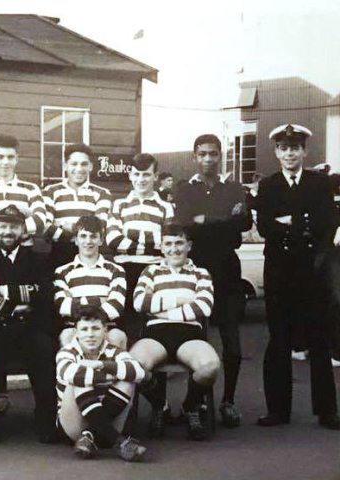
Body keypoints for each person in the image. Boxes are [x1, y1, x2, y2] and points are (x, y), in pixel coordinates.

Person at [255, 124, 339, 429]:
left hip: (311, 270)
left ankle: (327, 411)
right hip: (279, 272)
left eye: (295, 148)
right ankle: (278, 410)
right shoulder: (269, 185)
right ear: (276, 152)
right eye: (283, 148)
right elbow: (264, 226)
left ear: (305, 151)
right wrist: (296, 223)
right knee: (279, 338)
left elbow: (328, 222)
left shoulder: (319, 183)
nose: (289, 153)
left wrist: (290, 222)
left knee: (318, 338)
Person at [173, 134, 252, 427]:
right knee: (197, 340)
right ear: (195, 156)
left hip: (228, 272)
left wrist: (206, 220)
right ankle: (196, 403)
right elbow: (184, 222)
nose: (208, 159)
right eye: (203, 154)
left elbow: (243, 225)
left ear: (221, 156)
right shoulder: (185, 189)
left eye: (213, 154)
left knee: (232, 344)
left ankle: (228, 401)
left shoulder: (233, 188)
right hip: (196, 272)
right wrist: (223, 220)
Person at [0, 205, 57, 443]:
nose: (8, 232)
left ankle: (46, 420)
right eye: (3, 226)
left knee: (44, 346)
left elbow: (46, 294)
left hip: (28, 326)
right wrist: (14, 304)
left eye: (14, 227)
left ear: (23, 231)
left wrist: (2, 290)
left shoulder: (38, 259)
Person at [129, 223, 219, 441]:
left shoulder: (201, 273)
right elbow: (140, 302)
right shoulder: (150, 271)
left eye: (179, 243)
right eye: (168, 244)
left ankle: (191, 406)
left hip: (189, 336)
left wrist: (161, 311)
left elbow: (204, 307)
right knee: (134, 367)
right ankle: (161, 406)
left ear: (189, 245)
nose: (174, 249)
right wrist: (180, 300)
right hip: (154, 337)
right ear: (161, 247)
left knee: (209, 368)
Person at [56, 305, 146, 462]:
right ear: (76, 332)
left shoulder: (114, 351)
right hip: (73, 425)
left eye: (95, 329)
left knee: (128, 382)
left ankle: (89, 436)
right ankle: (118, 441)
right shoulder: (67, 352)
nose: (90, 335)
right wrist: (113, 375)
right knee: (78, 381)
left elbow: (139, 372)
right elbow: (71, 373)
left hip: (108, 419)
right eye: (84, 329)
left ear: (105, 331)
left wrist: (102, 365)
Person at [106, 153, 174, 342]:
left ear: (155, 176)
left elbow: (166, 243)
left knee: (152, 321)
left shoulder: (165, 207)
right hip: (124, 270)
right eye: (136, 174)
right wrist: (151, 244)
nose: (140, 179)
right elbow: (113, 240)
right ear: (130, 175)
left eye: (145, 174)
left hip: (154, 270)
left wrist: (131, 239)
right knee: (126, 323)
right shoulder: (119, 205)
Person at [54, 215, 127, 350]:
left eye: (93, 236)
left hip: (106, 328)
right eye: (83, 236)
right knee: (66, 336)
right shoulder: (62, 271)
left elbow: (116, 306)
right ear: (76, 240)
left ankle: (110, 371)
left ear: (101, 240)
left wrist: (77, 301)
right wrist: (101, 300)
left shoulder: (116, 270)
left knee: (117, 336)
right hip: (75, 327)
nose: (88, 241)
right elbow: (63, 306)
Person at [43, 143, 112, 267]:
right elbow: (46, 228)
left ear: (90, 166)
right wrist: (82, 230)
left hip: (89, 255)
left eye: (84, 164)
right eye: (74, 164)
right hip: (59, 254)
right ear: (65, 166)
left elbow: (99, 227)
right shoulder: (50, 191)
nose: (79, 169)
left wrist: (64, 226)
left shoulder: (102, 193)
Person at [0, 134, 47, 246]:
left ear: (16, 159)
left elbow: (40, 219)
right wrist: (12, 234)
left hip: (24, 251)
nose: (5, 162)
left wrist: (11, 235)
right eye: (0, 157)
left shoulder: (31, 189)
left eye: (10, 157)